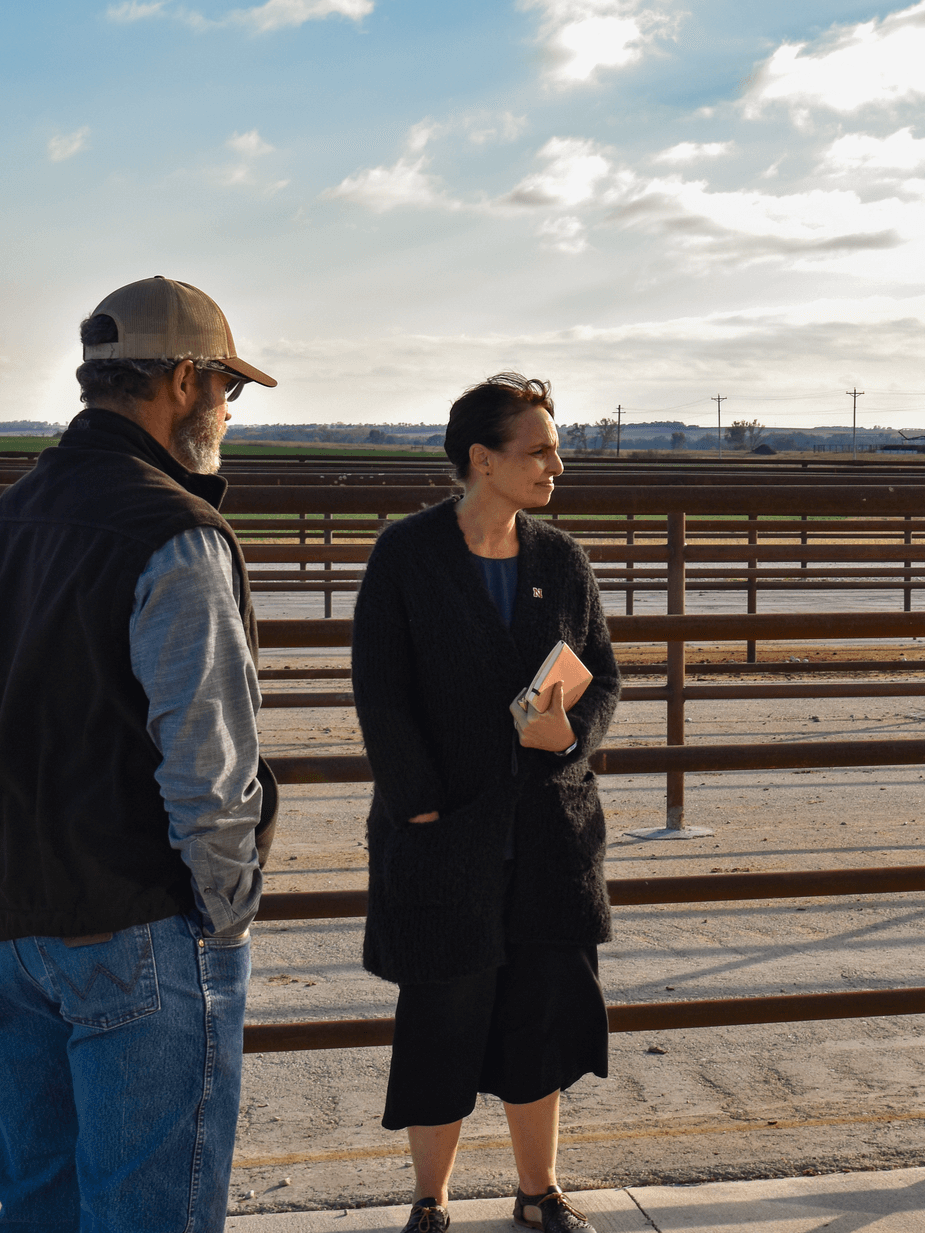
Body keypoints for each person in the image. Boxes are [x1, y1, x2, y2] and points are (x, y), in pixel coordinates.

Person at [0, 276, 278, 1230]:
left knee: (39, 1205)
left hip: (18, 921)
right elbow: (208, 761)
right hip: (140, 920)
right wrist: (225, 918)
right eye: (226, 389)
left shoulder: (9, 515)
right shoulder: (173, 528)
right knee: (151, 1212)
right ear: (182, 380)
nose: (226, 411)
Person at [352, 372, 620, 1233]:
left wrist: (571, 739)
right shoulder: (407, 555)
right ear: (481, 458)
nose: (557, 464)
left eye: (555, 447)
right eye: (538, 449)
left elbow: (604, 676)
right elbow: (379, 692)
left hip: (548, 833)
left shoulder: (559, 560)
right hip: (446, 836)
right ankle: (428, 1203)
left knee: (538, 1014)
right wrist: (422, 808)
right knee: (441, 1015)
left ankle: (538, 1192)